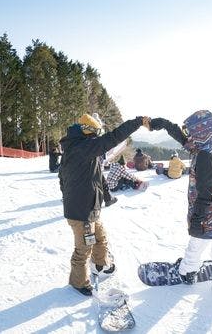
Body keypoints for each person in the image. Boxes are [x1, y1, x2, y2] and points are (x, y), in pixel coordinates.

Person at [59, 113, 151, 296]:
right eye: (96, 134)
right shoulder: (82, 148)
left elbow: (95, 176)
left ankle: (100, 265)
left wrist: (106, 197)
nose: (98, 138)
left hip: (90, 206)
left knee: (100, 236)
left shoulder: (82, 149)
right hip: (81, 211)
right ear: (89, 132)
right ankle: (78, 282)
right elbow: (113, 137)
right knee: (84, 247)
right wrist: (137, 122)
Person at [150, 110, 212, 300]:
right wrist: (164, 124)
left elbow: (205, 194)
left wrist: (197, 219)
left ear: (201, 134)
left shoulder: (204, 157)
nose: (187, 138)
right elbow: (185, 140)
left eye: (191, 134)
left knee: (197, 246)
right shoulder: (211, 148)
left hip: (208, 216)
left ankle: (188, 271)